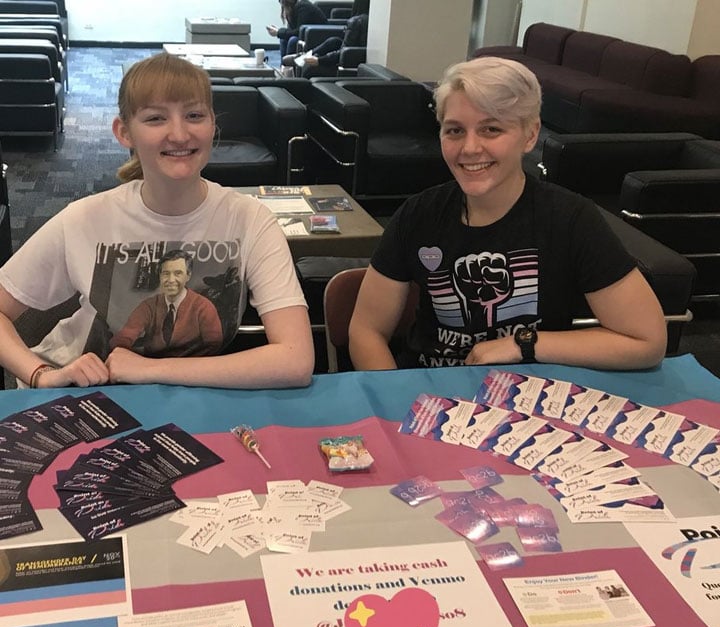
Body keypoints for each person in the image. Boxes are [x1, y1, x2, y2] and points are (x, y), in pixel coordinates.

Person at [0, 52, 314, 389]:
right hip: (77, 395)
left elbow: (295, 360)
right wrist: (40, 376)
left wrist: (148, 370)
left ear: (213, 126)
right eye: (155, 119)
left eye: (194, 115)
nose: (179, 134)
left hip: (181, 395)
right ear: (124, 133)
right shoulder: (84, 219)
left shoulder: (250, 220)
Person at [348, 56, 667, 371]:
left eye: (491, 129)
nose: (470, 148)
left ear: (530, 135)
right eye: (455, 131)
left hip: (533, 397)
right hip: (431, 394)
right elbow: (367, 331)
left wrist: (524, 343)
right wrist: (397, 407)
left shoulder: (570, 219)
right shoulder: (417, 215)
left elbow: (647, 342)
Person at [110, 249, 223, 357]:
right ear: (160, 276)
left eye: (177, 273)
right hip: (152, 370)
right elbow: (124, 336)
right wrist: (124, 355)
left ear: (188, 276)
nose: (171, 280)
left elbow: (215, 347)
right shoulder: (149, 306)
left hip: (190, 371)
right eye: (165, 273)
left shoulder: (203, 307)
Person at [285, 12, 369, 78]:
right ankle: (305, 56)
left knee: (310, 69)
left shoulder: (357, 22)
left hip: (348, 63)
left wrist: (319, 60)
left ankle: (303, 59)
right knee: (334, 41)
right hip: (343, 56)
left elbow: (345, 54)